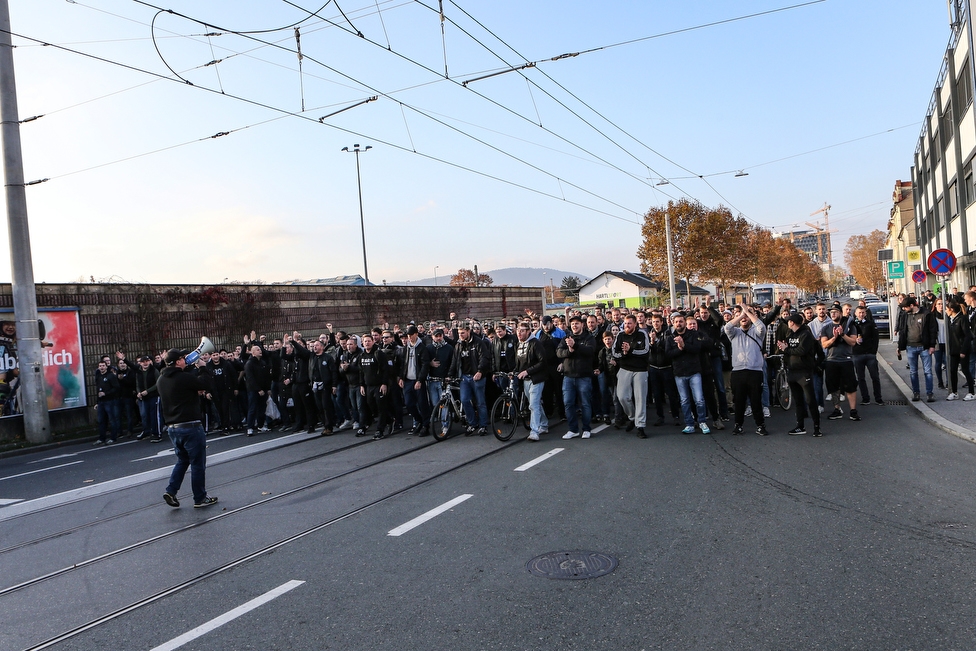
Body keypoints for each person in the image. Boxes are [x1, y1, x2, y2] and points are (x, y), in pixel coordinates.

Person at [158, 348, 218, 508]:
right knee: (197, 462)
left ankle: (171, 491)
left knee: (182, 460)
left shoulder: (161, 380)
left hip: (173, 427)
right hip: (190, 425)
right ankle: (200, 497)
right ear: (177, 362)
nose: (186, 359)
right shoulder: (183, 377)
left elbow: (181, 394)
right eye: (183, 358)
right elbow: (206, 383)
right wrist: (203, 367)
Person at [723, 303, 767, 435]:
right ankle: (738, 425)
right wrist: (741, 314)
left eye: (746, 316)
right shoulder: (734, 333)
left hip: (755, 371)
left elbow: (761, 326)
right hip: (738, 371)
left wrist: (749, 312)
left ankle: (760, 425)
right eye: (741, 317)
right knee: (739, 400)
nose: (744, 319)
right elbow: (728, 326)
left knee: (755, 400)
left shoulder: (757, 332)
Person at [778, 313, 822, 437]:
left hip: (804, 372)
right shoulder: (790, 334)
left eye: (789, 321)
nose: (787, 323)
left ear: (792, 322)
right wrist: (783, 348)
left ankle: (816, 427)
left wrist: (786, 349)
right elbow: (788, 350)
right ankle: (800, 426)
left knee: (810, 400)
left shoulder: (806, 335)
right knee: (798, 401)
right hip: (792, 372)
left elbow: (802, 351)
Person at [666, 313, 711, 435]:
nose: (679, 324)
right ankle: (689, 423)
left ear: (684, 322)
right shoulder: (670, 337)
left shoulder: (693, 334)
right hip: (679, 373)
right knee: (684, 400)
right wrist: (679, 349)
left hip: (694, 371)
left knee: (699, 399)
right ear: (673, 323)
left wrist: (683, 345)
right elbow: (668, 354)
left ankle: (701, 421)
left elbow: (696, 349)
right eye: (677, 322)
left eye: (681, 321)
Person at [557, 315, 597, 439]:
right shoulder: (565, 338)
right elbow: (559, 352)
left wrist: (575, 346)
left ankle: (586, 428)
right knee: (568, 403)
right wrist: (569, 351)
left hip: (583, 376)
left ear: (582, 325)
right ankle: (573, 429)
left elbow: (590, 351)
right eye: (573, 324)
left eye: (577, 323)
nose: (575, 325)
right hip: (568, 376)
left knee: (585, 403)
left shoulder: (589, 338)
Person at [612, 314, 650, 438]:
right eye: (626, 323)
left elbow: (645, 350)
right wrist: (624, 353)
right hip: (624, 368)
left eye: (630, 323)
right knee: (622, 396)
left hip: (640, 369)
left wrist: (631, 350)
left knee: (640, 398)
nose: (627, 325)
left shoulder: (642, 334)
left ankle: (640, 426)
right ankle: (633, 417)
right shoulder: (620, 335)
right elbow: (614, 352)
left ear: (634, 324)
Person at [820, 305, 860, 421]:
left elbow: (853, 342)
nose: (833, 314)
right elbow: (824, 344)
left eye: (836, 312)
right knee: (833, 387)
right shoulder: (826, 328)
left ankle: (853, 411)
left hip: (846, 360)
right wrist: (834, 337)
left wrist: (843, 334)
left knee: (850, 386)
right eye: (831, 312)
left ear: (840, 314)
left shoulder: (850, 326)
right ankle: (837, 409)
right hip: (831, 360)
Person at [897, 296, 938, 402]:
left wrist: (932, 345)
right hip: (910, 347)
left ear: (912, 305)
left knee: (928, 371)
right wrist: (900, 346)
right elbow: (903, 331)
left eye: (905, 307)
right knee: (913, 371)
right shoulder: (905, 315)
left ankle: (930, 393)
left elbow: (932, 330)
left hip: (924, 346)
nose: (904, 309)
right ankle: (916, 393)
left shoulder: (926, 314)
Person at [514, 322, 548, 441]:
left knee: (533, 405)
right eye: (518, 330)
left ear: (528, 331)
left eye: (522, 330)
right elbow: (518, 362)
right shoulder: (519, 344)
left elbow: (543, 362)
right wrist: (514, 372)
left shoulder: (535, 343)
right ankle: (543, 424)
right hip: (525, 380)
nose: (519, 333)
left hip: (536, 378)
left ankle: (534, 431)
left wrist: (528, 371)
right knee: (536, 404)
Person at [851, 305, 884, 406]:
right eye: (859, 313)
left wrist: (873, 351)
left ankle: (878, 398)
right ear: (856, 313)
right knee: (861, 378)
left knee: (875, 377)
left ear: (865, 313)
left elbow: (876, 338)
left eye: (863, 312)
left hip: (870, 354)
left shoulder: (870, 324)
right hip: (857, 354)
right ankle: (865, 398)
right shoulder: (852, 324)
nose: (861, 314)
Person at [945, 300, 975, 400]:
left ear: (951, 309)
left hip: (962, 350)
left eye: (947, 309)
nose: (945, 311)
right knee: (953, 370)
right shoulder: (951, 319)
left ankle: (972, 392)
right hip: (954, 350)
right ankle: (954, 392)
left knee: (965, 370)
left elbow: (967, 336)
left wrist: (963, 350)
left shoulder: (962, 319)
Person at [94, 360, 121, 445]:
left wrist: (106, 393)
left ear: (106, 367)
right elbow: (98, 390)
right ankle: (102, 438)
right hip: (101, 402)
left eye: (103, 366)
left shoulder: (111, 376)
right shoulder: (98, 377)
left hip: (110, 401)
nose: (101, 367)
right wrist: (97, 402)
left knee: (112, 419)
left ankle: (113, 437)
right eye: (100, 366)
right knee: (101, 420)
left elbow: (116, 388)